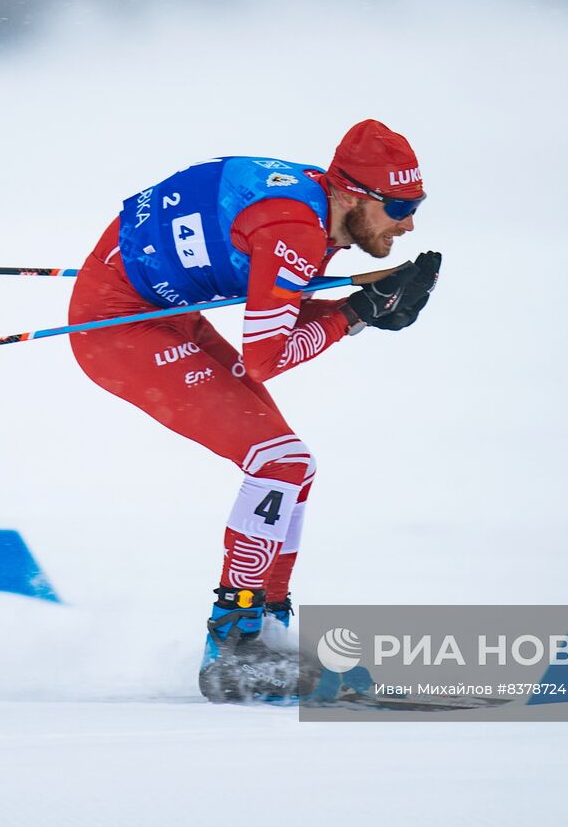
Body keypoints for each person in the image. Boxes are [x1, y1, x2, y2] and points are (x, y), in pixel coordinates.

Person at [68, 119, 441, 702]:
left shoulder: (313, 206)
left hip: (161, 304)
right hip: (118, 328)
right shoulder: (294, 229)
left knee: (296, 467)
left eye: (416, 203)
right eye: (398, 204)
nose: (410, 222)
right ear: (352, 194)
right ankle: (233, 648)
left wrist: (361, 302)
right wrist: (356, 313)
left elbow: (277, 283)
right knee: (277, 463)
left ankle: (265, 632)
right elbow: (268, 355)